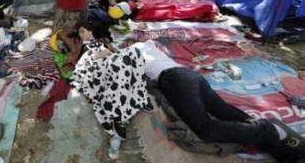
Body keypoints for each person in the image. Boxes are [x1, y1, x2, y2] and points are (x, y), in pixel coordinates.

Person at [121, 38, 305, 162]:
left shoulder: (130, 51)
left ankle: (268, 129)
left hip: (175, 79)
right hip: (190, 76)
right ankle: (287, 150)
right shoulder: (150, 45)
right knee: (226, 113)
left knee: (205, 129)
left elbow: (121, 71)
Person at [70, 22, 150, 139]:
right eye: (79, 33)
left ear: (90, 31)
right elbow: (82, 62)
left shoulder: (102, 42)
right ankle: (117, 117)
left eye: (82, 31)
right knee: (121, 67)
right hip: (97, 68)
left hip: (110, 61)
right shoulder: (83, 46)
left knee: (134, 52)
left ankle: (140, 97)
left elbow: (113, 52)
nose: (80, 35)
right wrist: (98, 55)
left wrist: (110, 53)